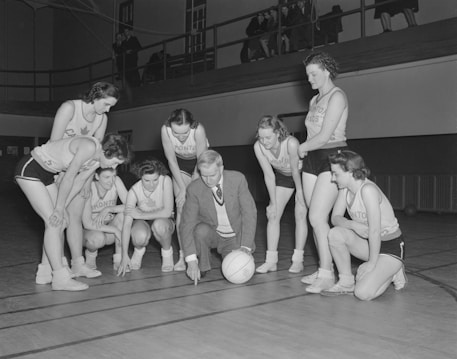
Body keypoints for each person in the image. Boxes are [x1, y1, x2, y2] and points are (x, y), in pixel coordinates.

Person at [14, 134, 131, 291]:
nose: (114, 167)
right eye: (115, 162)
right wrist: (58, 208)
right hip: (31, 169)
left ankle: (44, 273)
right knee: (53, 222)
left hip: (47, 174)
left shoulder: (97, 160)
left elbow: (79, 182)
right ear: (106, 151)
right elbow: (69, 177)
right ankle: (60, 278)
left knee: (62, 220)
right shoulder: (89, 147)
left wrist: (62, 209)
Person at [35, 82, 121, 285]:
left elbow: (98, 153)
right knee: (58, 218)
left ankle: (77, 263)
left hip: (81, 170)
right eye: (106, 104)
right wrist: (62, 176)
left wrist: (86, 183)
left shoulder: (102, 118)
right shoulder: (69, 108)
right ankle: (50, 268)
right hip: (58, 167)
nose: (108, 109)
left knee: (74, 217)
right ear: (96, 96)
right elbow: (54, 144)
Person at [321, 150, 407, 300]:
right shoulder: (345, 190)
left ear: (350, 172)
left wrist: (371, 263)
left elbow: (374, 231)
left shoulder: (368, 190)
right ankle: (346, 282)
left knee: (362, 293)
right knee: (335, 234)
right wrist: (353, 225)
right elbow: (335, 218)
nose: (333, 179)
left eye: (336, 174)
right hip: (369, 245)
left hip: (390, 246)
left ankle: (393, 270)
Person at [298, 52, 349, 294]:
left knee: (318, 217)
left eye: (313, 73)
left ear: (327, 71)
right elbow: (310, 135)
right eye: (307, 74)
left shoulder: (337, 96)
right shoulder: (313, 101)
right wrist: (303, 156)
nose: (309, 78)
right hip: (311, 159)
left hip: (332, 156)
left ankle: (329, 275)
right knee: (314, 218)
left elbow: (326, 134)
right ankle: (323, 268)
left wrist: (300, 148)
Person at [180, 150, 257, 284]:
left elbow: (249, 213)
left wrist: (246, 246)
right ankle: (202, 265)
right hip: (214, 234)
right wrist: (190, 260)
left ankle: (235, 252)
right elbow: (187, 224)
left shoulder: (238, 179)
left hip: (235, 237)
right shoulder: (194, 189)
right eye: (204, 175)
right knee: (200, 230)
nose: (208, 180)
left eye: (212, 175)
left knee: (235, 271)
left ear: (221, 168)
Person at [254, 116, 308, 274]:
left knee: (300, 214)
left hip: (302, 175)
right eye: (261, 137)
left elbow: (295, 170)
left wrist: (299, 192)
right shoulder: (259, 147)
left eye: (268, 137)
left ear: (278, 133)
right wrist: (273, 202)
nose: (264, 141)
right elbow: (269, 175)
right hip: (283, 177)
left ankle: (298, 260)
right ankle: (271, 261)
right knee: (273, 214)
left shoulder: (291, 143)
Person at [161, 108, 209, 271]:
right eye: (177, 133)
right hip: (179, 166)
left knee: (199, 208)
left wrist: (189, 189)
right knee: (181, 206)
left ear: (191, 126)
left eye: (184, 133)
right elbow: (171, 161)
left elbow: (201, 162)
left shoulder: (198, 130)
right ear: (170, 125)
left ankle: (203, 249)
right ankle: (184, 255)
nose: (180, 138)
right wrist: (182, 188)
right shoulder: (165, 130)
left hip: (200, 166)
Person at [117, 159, 175, 276]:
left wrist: (142, 214)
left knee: (160, 225)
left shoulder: (166, 181)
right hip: (143, 222)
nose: (152, 184)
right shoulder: (134, 191)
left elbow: (168, 212)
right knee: (138, 235)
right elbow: (127, 225)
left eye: (155, 180)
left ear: (160, 176)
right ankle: (138, 251)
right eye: (147, 180)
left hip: (164, 220)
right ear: (140, 177)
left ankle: (167, 253)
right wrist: (124, 255)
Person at [81, 167, 128, 272]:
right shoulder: (88, 187)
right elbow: (87, 224)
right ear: (97, 176)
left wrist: (109, 208)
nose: (111, 181)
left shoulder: (116, 181)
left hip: (107, 229)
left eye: (114, 176)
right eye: (106, 177)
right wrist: (115, 230)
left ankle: (119, 259)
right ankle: (90, 256)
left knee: (124, 216)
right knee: (97, 238)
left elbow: (130, 206)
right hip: (89, 231)